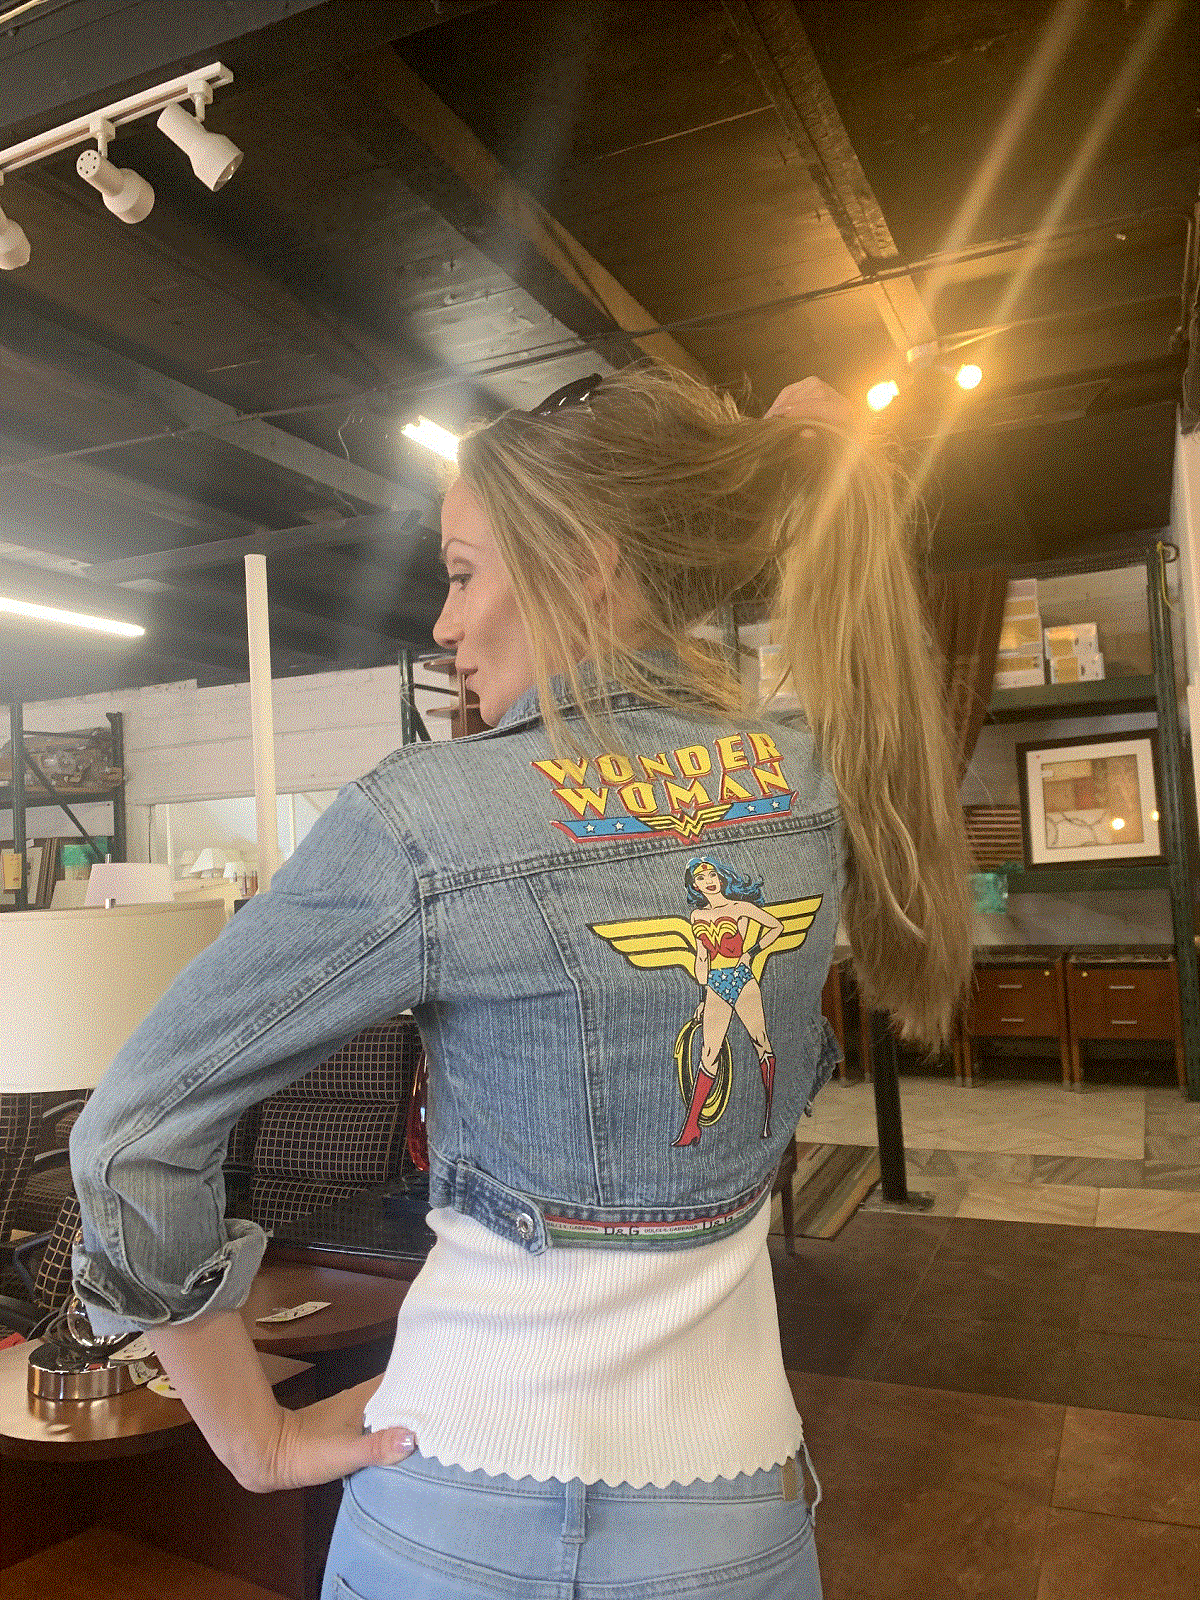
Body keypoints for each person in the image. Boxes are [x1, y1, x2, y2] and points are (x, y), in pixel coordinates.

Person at [70, 363, 974, 1600]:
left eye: (461, 571)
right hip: (727, 1519)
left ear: (588, 565)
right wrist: (805, 460)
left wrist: (253, 1433)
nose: (445, 625)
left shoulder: (425, 818)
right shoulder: (815, 780)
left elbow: (129, 1135)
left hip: (455, 1496)